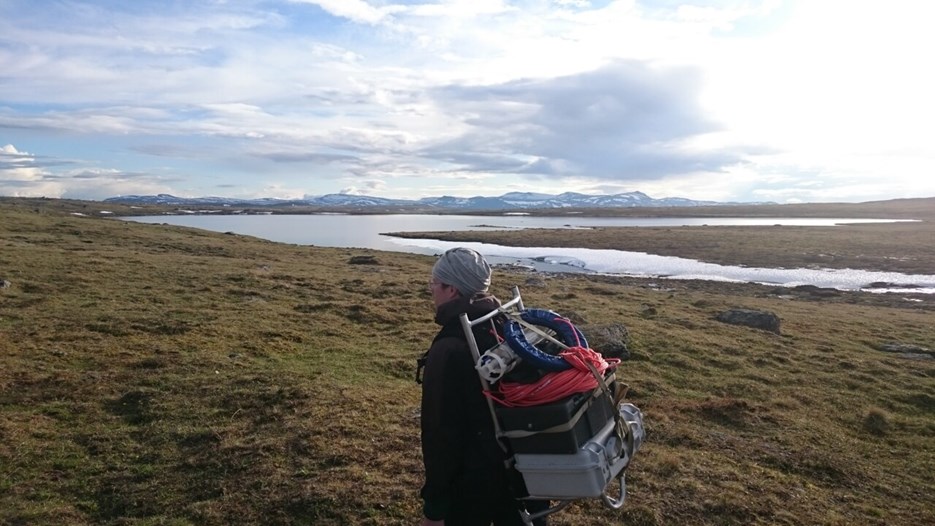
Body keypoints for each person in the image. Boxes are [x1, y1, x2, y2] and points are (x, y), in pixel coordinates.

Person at [419, 248, 547, 526]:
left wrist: (435, 506)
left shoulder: (450, 347)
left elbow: (440, 433)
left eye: (434, 284)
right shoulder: (503, 322)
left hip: (473, 485)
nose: (432, 291)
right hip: (522, 472)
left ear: (451, 290)